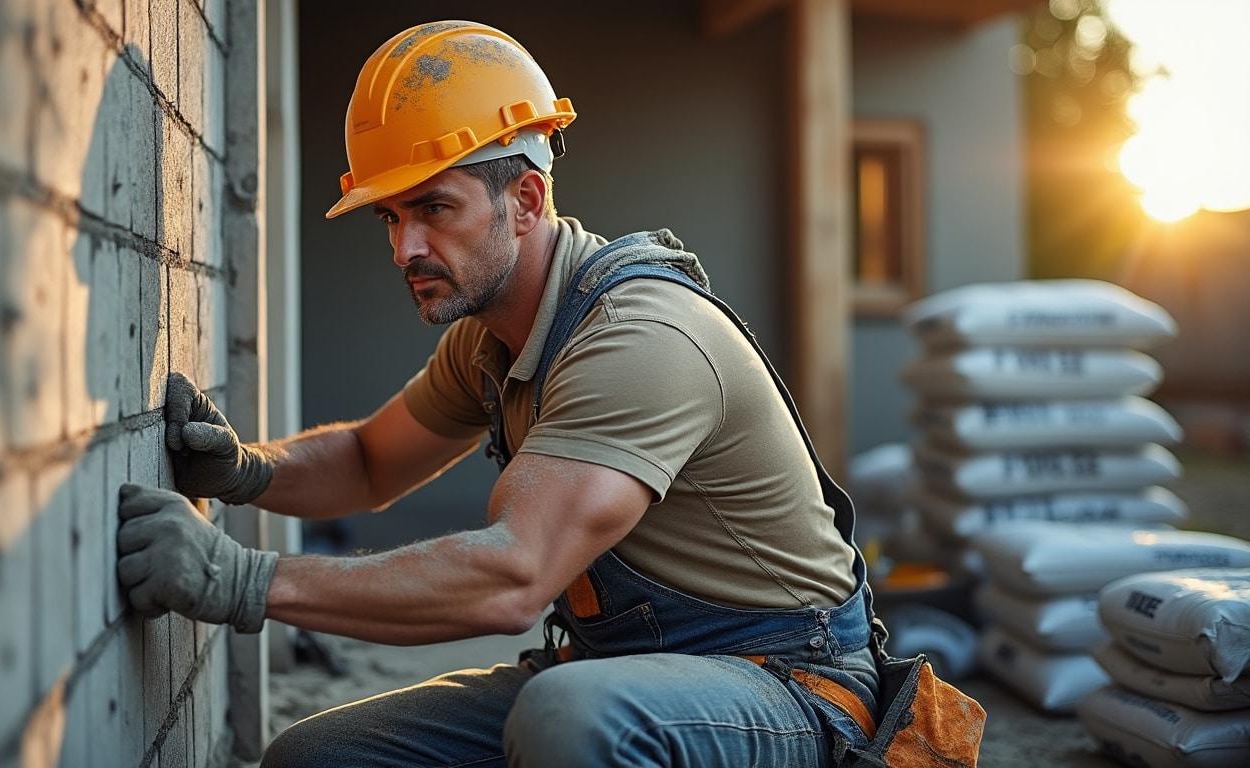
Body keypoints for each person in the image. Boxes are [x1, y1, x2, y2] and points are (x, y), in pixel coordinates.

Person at [114, 19, 982, 768]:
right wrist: (243, 471)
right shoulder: (491, 339)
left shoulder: (638, 339)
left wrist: (238, 579)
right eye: (390, 217)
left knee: (570, 717)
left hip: (786, 691)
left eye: (433, 209)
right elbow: (371, 461)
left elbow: (512, 578)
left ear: (524, 199)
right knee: (315, 757)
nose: (404, 246)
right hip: (619, 672)